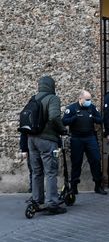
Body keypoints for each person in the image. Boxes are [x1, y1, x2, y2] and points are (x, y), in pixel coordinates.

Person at [28, 75, 67, 215]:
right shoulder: (52, 98)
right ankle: (52, 203)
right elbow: (54, 117)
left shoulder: (33, 98)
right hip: (46, 139)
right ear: (52, 86)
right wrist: (62, 129)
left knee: (36, 171)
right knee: (50, 171)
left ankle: (37, 200)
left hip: (31, 139)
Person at [62, 90, 107, 195]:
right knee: (76, 163)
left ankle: (98, 186)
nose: (89, 101)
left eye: (90, 99)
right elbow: (64, 121)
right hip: (77, 138)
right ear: (80, 99)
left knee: (96, 160)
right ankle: (74, 187)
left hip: (90, 137)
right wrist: (75, 118)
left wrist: (92, 118)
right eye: (87, 99)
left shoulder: (92, 108)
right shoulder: (72, 108)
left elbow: (100, 119)